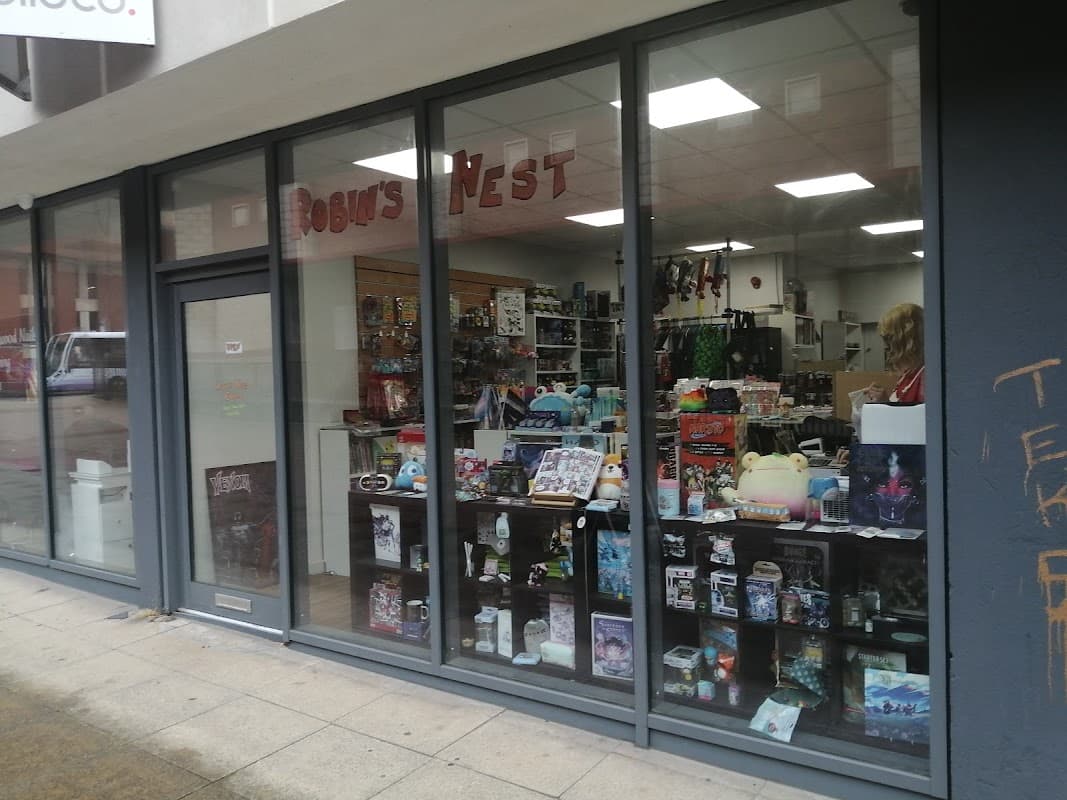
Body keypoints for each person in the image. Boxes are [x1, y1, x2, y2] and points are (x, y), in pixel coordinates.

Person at [865, 303, 924, 404]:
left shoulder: (926, 377)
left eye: (890, 339)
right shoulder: (908, 374)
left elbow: (917, 418)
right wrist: (884, 402)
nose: (887, 347)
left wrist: (885, 403)